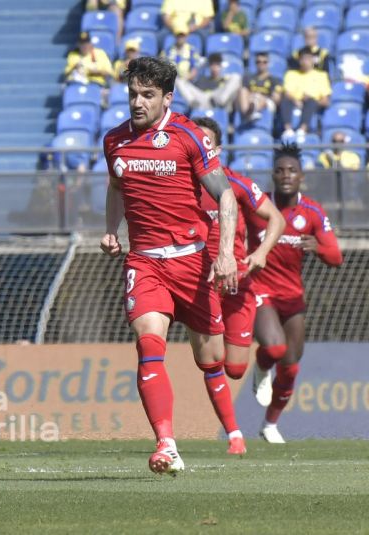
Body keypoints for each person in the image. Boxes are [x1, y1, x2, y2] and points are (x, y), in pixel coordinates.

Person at [100, 57, 239, 474]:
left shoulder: (188, 135)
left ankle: (233, 431)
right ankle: (166, 444)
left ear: (167, 98)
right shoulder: (114, 141)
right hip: (145, 262)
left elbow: (225, 195)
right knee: (148, 344)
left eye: (147, 95)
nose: (137, 102)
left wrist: (226, 253)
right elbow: (116, 187)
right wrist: (111, 229)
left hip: (193, 262)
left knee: (212, 358)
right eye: (133, 94)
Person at [192, 116, 285, 453]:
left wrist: (260, 253)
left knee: (234, 368)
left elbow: (276, 218)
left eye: (206, 142)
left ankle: (261, 369)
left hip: (238, 286)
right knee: (211, 360)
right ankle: (234, 435)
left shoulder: (235, 183)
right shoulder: (179, 185)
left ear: (217, 149)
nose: (199, 147)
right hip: (199, 286)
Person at [248, 143, 342, 444]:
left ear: (302, 177)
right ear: (272, 175)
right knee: (275, 349)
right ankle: (261, 367)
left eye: (292, 170)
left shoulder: (312, 211)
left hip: (292, 295)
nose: (286, 175)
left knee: (290, 366)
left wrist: (319, 247)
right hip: (261, 289)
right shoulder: (258, 206)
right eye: (280, 170)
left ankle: (269, 424)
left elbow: (336, 257)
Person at [279, 47, 331, 139]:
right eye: (303, 59)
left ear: (313, 60)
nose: (305, 62)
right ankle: (288, 130)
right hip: (294, 102)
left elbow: (325, 100)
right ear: (299, 60)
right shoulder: (291, 74)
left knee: (311, 102)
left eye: (308, 58)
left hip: (313, 104)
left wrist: (312, 100)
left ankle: (302, 129)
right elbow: (287, 92)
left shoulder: (322, 76)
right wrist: (296, 101)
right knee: (285, 101)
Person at [174, 52, 241, 111]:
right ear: (209, 66)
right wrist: (190, 76)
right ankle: (193, 103)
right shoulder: (203, 79)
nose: (215, 68)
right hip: (202, 101)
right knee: (178, 81)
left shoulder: (225, 79)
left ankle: (221, 102)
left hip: (218, 99)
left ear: (221, 66)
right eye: (212, 65)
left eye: (217, 65)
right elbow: (193, 90)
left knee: (236, 77)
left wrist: (226, 78)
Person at [237, 51, 283, 122]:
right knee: (243, 91)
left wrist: (261, 97)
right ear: (255, 63)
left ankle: (251, 113)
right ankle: (248, 113)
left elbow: (277, 98)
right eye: (258, 62)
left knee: (260, 98)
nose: (261, 64)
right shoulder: (248, 77)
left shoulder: (274, 80)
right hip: (250, 100)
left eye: (264, 62)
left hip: (266, 102)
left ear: (268, 63)